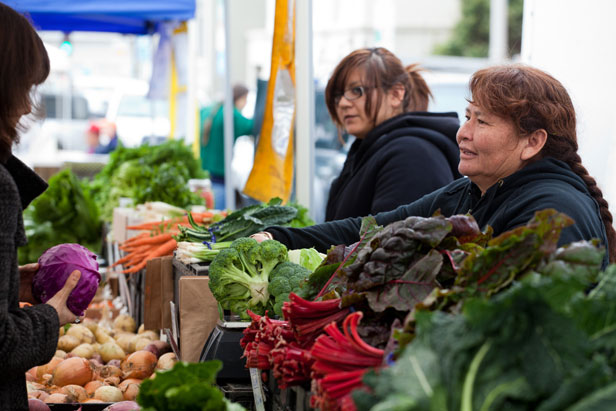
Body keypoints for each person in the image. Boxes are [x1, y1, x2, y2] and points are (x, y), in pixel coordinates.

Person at [253, 64, 615, 268]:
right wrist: (278, 237)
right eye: (468, 116)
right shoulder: (469, 192)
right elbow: (373, 229)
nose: (463, 133)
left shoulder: (553, 213)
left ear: (532, 142)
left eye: (482, 122)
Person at [0, 4, 83, 409]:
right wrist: (51, 316)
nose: (27, 107)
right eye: (26, 88)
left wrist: (7, 286)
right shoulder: (0, 187)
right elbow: (0, 345)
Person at [323, 47, 461, 221]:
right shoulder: (370, 151)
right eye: (338, 95)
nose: (343, 103)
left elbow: (397, 243)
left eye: (356, 90)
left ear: (396, 94)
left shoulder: (411, 154)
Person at [200, 84, 254, 209]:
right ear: (240, 98)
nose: (245, 104)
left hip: (208, 173)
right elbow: (252, 126)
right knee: (217, 219)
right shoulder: (231, 114)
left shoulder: (213, 109)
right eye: (245, 100)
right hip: (220, 177)